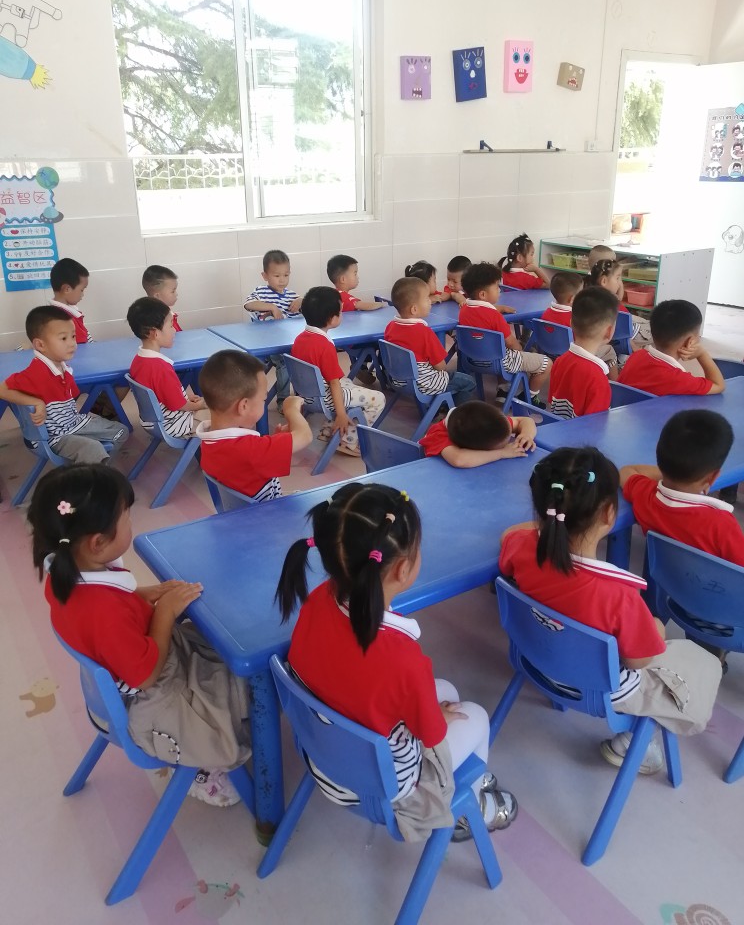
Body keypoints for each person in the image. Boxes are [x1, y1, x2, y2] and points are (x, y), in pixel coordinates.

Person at [276, 482, 518, 841]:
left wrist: (431, 711)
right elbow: (432, 734)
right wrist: (436, 717)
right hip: (384, 785)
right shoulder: (403, 660)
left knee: (444, 690)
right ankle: (472, 805)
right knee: (476, 717)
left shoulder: (318, 598)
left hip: (321, 755)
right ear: (403, 569)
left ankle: (468, 783)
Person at [29, 464, 251, 806]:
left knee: (223, 643)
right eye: (127, 517)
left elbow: (105, 610)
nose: (132, 522)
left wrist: (143, 595)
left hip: (122, 674)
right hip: (152, 696)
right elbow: (146, 675)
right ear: (98, 542)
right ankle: (203, 769)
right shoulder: (102, 611)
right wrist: (164, 612)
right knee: (247, 689)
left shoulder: (65, 569)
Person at [499, 446, 722, 774]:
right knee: (704, 664)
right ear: (608, 514)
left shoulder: (520, 547)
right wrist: (656, 628)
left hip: (535, 659)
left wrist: (543, 523)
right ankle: (633, 743)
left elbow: (511, 535)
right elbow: (639, 661)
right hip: (599, 690)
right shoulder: (619, 595)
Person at [0, 306, 128, 463]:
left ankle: (95, 470)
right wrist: (36, 402)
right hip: (53, 436)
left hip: (72, 424)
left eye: (73, 336)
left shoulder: (62, 366)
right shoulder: (37, 372)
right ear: (40, 345)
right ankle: (94, 474)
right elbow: (2, 389)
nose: (72, 343)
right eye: (63, 338)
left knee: (121, 431)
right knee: (93, 449)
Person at [620, 411, 744, 567]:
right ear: (712, 478)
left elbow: (625, 472)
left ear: (658, 451)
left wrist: (673, 471)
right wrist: (689, 474)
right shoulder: (722, 526)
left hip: (666, 579)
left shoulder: (647, 498)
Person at [196, 349, 312, 502]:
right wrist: (291, 409)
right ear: (243, 406)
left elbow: (252, 462)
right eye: (263, 399)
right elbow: (305, 436)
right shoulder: (251, 450)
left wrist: (275, 441)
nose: (264, 403)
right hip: (268, 513)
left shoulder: (208, 442)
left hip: (242, 512)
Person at [291, 286, 385, 458]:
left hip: (307, 395)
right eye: (340, 312)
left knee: (347, 382)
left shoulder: (299, 338)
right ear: (331, 318)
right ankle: (348, 440)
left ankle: (328, 430)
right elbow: (333, 382)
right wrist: (341, 414)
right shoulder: (324, 345)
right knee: (378, 399)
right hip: (325, 398)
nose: (342, 315)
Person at [458, 262, 552, 402]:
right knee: (546, 363)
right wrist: (520, 349)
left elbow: (480, 311)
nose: (499, 290)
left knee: (498, 347)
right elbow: (512, 343)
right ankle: (529, 398)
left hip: (473, 359)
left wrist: (499, 308)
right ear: (483, 294)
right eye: (497, 287)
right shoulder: (494, 316)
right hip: (498, 362)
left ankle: (503, 390)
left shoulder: (463, 310)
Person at [384, 277, 475, 406]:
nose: (430, 301)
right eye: (427, 299)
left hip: (398, 380)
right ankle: (450, 410)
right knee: (469, 382)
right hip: (424, 385)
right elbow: (441, 366)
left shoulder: (390, 326)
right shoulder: (424, 332)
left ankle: (437, 407)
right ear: (414, 309)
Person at [127, 297, 206, 438]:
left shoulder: (138, 360)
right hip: (173, 424)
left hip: (151, 421)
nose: (174, 330)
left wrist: (185, 397)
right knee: (225, 413)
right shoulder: (161, 368)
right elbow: (179, 406)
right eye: (170, 326)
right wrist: (200, 405)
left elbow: (160, 394)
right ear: (155, 333)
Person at [619, 299, 725, 396]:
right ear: (690, 342)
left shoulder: (636, 356)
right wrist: (702, 354)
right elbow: (719, 385)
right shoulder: (679, 379)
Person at [243, 250, 303, 415]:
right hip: (263, 343)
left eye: (286, 275)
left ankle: (302, 397)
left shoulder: (292, 296)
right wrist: (271, 307)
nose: (282, 280)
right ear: (265, 276)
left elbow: (308, 308)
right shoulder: (261, 292)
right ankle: (283, 400)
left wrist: (301, 301)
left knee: (301, 360)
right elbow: (249, 305)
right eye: (277, 276)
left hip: (286, 343)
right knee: (284, 363)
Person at [548, 287, 619, 418]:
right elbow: (595, 426)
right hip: (581, 431)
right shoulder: (598, 380)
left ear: (571, 323)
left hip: (559, 428)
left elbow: (551, 403)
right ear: (609, 332)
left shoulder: (560, 361)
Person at [419, 400, 536, 467]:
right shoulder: (439, 435)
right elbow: (459, 459)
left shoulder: (485, 422)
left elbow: (525, 420)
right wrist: (502, 453)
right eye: (499, 446)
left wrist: (526, 435)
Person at [327, 253, 383, 387]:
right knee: (382, 341)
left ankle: (361, 366)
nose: (358, 277)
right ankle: (384, 372)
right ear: (343, 279)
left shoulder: (335, 294)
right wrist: (381, 304)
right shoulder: (343, 296)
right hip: (353, 339)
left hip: (348, 335)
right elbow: (364, 305)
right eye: (355, 273)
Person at [50, 257, 91, 344]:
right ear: (67, 289)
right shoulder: (65, 320)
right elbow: (81, 347)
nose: (82, 295)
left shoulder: (60, 312)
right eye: (82, 290)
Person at [142, 264, 183, 332]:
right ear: (157, 296)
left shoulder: (165, 312)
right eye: (173, 291)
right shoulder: (159, 320)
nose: (176, 294)